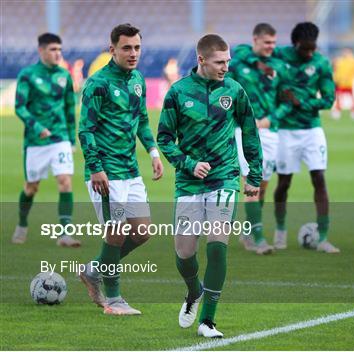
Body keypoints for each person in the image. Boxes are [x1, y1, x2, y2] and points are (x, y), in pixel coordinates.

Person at [157, 34, 262, 337]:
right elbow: (164, 138)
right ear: (201, 59)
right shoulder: (178, 92)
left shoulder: (234, 90)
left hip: (225, 177)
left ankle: (208, 321)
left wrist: (253, 175)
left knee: (217, 246)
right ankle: (193, 291)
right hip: (189, 184)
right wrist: (188, 163)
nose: (226, 67)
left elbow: (251, 133)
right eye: (220, 62)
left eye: (228, 61)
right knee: (184, 254)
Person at [78, 23, 164, 315]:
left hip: (130, 171)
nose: (133, 53)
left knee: (141, 233)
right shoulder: (97, 84)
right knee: (115, 233)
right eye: (127, 47)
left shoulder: (138, 79)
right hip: (105, 172)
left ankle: (93, 270)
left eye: (137, 47)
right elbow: (85, 130)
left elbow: (141, 119)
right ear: (112, 49)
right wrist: (95, 168)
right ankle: (113, 301)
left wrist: (153, 152)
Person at [234, 22, 339, 253]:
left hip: (303, 128)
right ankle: (269, 232)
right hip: (281, 131)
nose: (309, 53)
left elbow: (327, 99)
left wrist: (300, 104)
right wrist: (258, 63)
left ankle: (322, 237)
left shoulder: (316, 63)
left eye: (313, 48)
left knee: (316, 178)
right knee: (279, 183)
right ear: (294, 44)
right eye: (305, 49)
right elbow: (240, 50)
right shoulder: (278, 55)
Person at [228, 23, 292, 255]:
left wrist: (269, 120)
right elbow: (224, 93)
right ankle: (259, 238)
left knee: (262, 186)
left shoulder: (278, 67)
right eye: (267, 43)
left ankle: (248, 230)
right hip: (243, 132)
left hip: (270, 132)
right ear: (255, 40)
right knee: (251, 184)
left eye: (274, 43)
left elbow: (287, 101)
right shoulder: (237, 64)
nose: (271, 47)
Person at [12, 33, 80, 248]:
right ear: (41, 50)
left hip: (59, 138)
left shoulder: (64, 75)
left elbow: (70, 107)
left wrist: (71, 139)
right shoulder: (28, 75)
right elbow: (20, 107)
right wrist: (37, 126)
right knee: (32, 187)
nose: (57, 53)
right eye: (52, 49)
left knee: (65, 181)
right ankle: (22, 224)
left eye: (59, 49)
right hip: (35, 141)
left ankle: (65, 234)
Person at [331, 48, 354, 119]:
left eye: (347, 52)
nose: (345, 53)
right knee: (340, 98)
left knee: (351, 98)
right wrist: (336, 79)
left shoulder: (353, 61)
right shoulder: (340, 60)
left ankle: (353, 111)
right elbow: (336, 69)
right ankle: (338, 111)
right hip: (341, 83)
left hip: (348, 83)